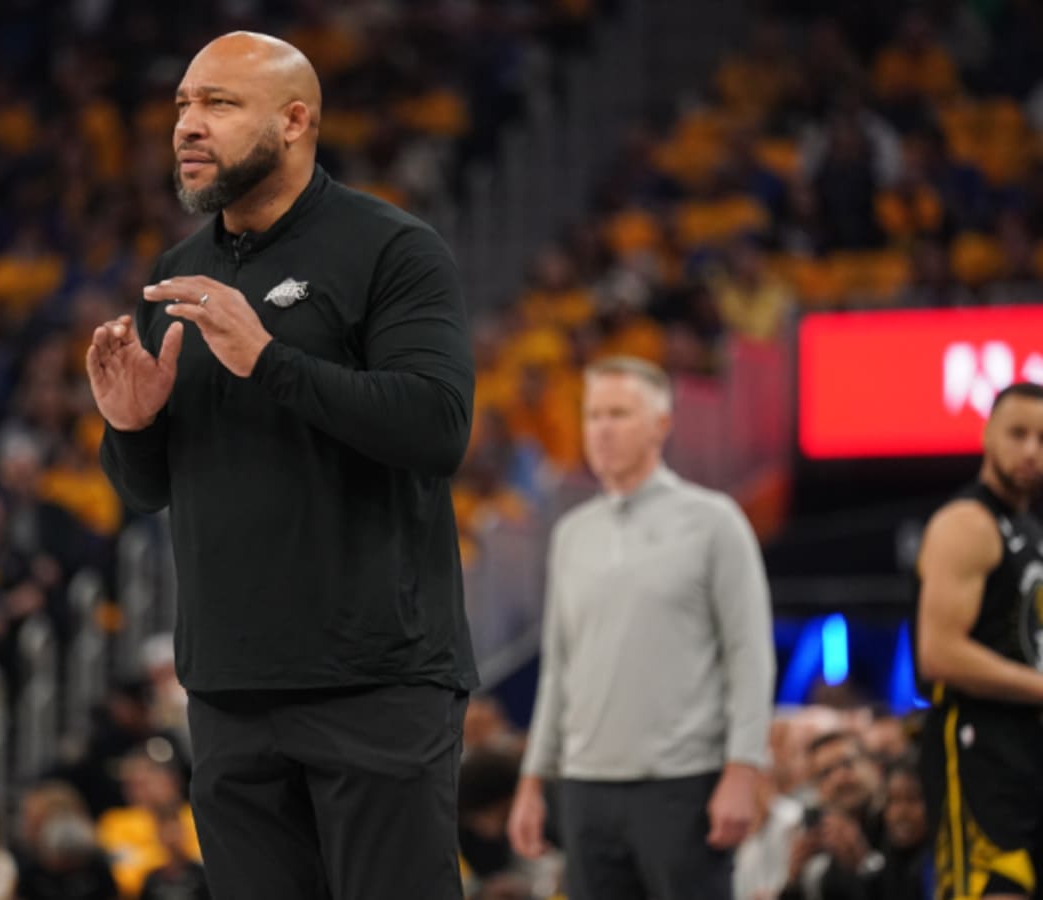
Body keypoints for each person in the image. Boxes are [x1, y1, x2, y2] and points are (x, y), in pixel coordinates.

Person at [85, 30, 477, 900]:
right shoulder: (178, 273)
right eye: (184, 104)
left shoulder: (391, 250)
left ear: (295, 120)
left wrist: (270, 361)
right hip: (228, 686)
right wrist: (132, 426)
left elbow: (437, 427)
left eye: (218, 104)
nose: (188, 125)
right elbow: (149, 490)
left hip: (374, 675)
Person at [507, 356, 775, 899]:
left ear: (661, 425)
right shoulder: (570, 535)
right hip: (584, 788)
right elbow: (559, 668)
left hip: (683, 786)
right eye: (592, 415)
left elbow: (749, 655)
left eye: (619, 414)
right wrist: (534, 781)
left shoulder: (714, 521)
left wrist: (744, 770)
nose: (601, 429)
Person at [916, 381, 1043, 900]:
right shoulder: (968, 522)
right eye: (1017, 433)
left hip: (1024, 743)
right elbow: (938, 650)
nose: (1031, 450)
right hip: (975, 744)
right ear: (987, 434)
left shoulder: (1027, 526)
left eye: (1042, 437)